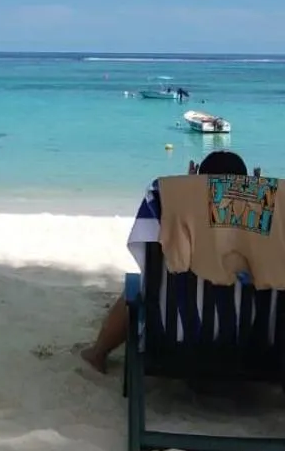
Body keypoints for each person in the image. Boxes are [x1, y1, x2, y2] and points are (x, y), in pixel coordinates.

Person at [80, 150, 249, 374]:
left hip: (174, 334)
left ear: (198, 180)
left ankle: (98, 354)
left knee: (138, 287)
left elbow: (150, 255)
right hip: (248, 336)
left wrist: (185, 195)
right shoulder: (267, 227)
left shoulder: (166, 203)